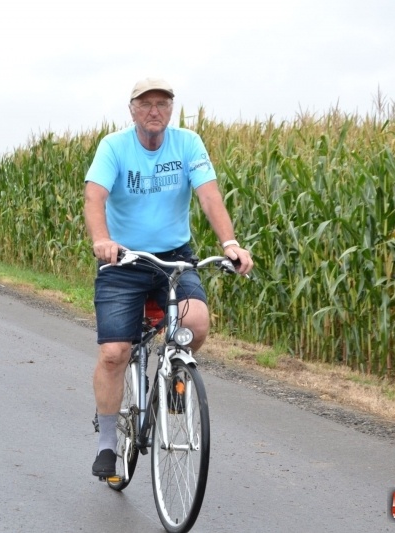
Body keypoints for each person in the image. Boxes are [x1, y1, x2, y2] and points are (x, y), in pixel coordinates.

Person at [84, 78, 253, 478]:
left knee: (195, 322)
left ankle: (174, 376)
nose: (154, 111)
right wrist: (102, 240)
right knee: (114, 353)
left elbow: (209, 196)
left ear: (171, 109)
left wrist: (229, 243)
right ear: (132, 110)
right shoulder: (114, 147)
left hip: (174, 258)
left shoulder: (188, 144)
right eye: (146, 104)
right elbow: (95, 197)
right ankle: (107, 444)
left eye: (162, 103)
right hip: (124, 260)